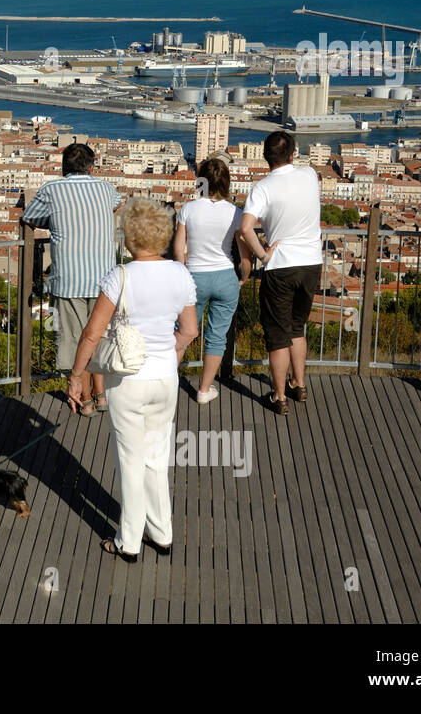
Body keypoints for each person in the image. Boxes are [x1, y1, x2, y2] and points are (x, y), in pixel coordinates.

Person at [67, 197, 199, 561]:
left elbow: (92, 334)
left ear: (130, 236)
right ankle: (162, 533)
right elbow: (189, 330)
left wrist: (76, 376)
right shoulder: (180, 275)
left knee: (130, 459)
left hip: (128, 380)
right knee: (157, 457)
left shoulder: (120, 276)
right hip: (165, 379)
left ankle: (128, 541)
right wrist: (167, 355)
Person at [22, 142, 122, 416]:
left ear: (63, 169)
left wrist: (55, 221)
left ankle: (86, 399)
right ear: (91, 168)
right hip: (106, 280)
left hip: (69, 279)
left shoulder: (52, 190)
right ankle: (101, 396)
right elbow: (116, 205)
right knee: (99, 337)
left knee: (74, 339)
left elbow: (29, 217)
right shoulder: (105, 188)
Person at [239, 131, 320, 415]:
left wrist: (262, 254)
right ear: (293, 154)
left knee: (277, 335)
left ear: (265, 156)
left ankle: (280, 396)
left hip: (281, 266)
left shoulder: (262, 188)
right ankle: (299, 384)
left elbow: (246, 227)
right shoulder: (310, 175)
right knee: (297, 328)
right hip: (311, 264)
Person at [174, 155, 252, 404]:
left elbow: (178, 249)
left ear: (200, 183)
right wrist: (244, 277)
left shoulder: (188, 209)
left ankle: (164, 383)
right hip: (225, 277)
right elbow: (244, 253)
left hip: (194, 277)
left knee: (183, 332)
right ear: (226, 183)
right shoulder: (236, 213)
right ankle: (204, 390)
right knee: (217, 336)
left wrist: (181, 273)